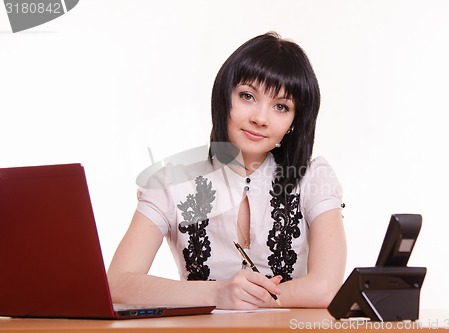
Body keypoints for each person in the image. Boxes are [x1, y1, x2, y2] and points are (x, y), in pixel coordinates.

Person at [107, 32, 346, 310]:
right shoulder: (170, 183)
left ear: (294, 121)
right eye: (247, 96)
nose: (259, 118)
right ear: (224, 97)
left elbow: (326, 289)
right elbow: (118, 283)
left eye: (281, 106)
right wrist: (218, 294)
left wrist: (248, 299)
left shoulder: (313, 178)